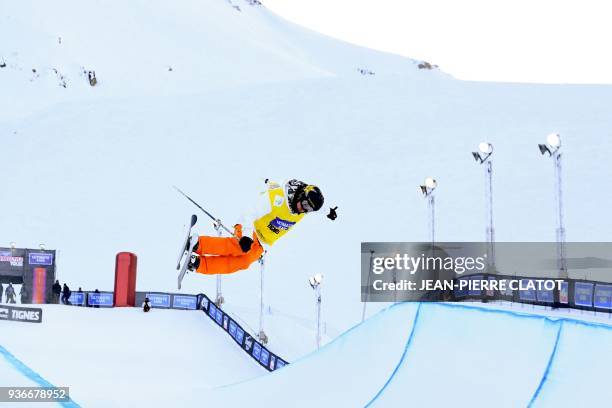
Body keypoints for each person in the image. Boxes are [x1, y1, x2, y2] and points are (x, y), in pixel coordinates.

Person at [187, 179, 324, 276]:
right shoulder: (277, 198)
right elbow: (250, 212)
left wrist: (329, 212)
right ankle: (198, 244)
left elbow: (317, 208)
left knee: (244, 262)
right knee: (237, 247)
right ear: (301, 194)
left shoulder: (302, 210)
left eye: (309, 210)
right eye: (305, 205)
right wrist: (246, 236)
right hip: (250, 228)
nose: (304, 210)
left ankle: (198, 264)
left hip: (263, 242)